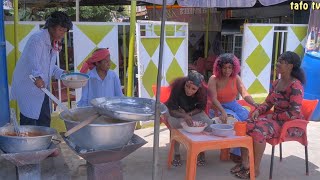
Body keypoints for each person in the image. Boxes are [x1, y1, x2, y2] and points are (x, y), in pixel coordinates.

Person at [230, 51, 305, 179]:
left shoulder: (296, 86)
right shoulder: (276, 83)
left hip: (289, 124)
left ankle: (256, 169)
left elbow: (294, 113)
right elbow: (268, 102)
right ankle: (245, 163)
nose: (277, 64)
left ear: (290, 66)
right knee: (245, 126)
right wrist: (258, 111)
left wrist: (273, 117)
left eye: (281, 62)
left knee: (259, 131)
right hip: (275, 120)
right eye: (278, 60)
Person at [10, 11, 72, 127]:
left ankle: (44, 143)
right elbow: (34, 63)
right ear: (51, 27)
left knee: (44, 118)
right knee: (29, 119)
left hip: (42, 86)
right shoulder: (37, 39)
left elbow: (49, 66)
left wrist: (61, 73)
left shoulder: (54, 42)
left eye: (64, 31)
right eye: (60, 29)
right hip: (28, 84)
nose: (62, 34)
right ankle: (28, 144)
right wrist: (37, 77)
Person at [208, 53, 258, 161]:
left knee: (247, 119)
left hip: (233, 104)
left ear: (234, 68)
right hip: (217, 107)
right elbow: (213, 99)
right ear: (219, 68)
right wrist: (223, 111)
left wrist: (255, 104)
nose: (227, 70)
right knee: (233, 120)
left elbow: (244, 93)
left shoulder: (236, 78)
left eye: (230, 67)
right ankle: (236, 153)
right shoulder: (213, 79)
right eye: (224, 67)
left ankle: (242, 151)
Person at [165, 70, 213, 167]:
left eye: (193, 89)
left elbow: (200, 108)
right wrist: (184, 116)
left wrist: (189, 114)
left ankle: (201, 151)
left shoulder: (203, 91)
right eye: (187, 86)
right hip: (176, 111)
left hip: (192, 111)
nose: (189, 90)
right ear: (185, 82)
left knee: (208, 124)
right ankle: (177, 154)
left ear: (198, 89)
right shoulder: (178, 86)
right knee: (175, 125)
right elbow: (171, 110)